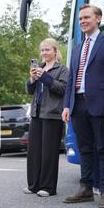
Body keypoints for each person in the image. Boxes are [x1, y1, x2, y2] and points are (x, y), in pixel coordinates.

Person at [62, 4, 104, 208]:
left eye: (87, 17)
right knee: (84, 148)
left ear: (99, 19)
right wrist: (67, 105)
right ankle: (85, 188)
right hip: (78, 105)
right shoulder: (77, 48)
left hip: (101, 104)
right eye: (80, 19)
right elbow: (71, 80)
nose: (83, 21)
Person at [23, 38, 68, 197]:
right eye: (42, 50)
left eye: (47, 49)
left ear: (55, 51)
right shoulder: (39, 68)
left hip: (52, 115)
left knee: (48, 152)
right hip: (36, 113)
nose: (44, 53)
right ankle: (33, 185)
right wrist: (32, 79)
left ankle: (48, 187)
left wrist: (45, 78)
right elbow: (29, 91)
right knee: (34, 151)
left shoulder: (62, 69)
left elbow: (63, 89)